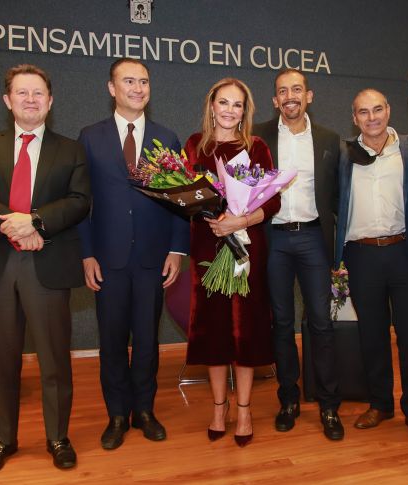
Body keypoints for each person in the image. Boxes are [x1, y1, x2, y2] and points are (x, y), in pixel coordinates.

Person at [0, 64, 91, 476]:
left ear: (50, 102)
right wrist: (13, 223)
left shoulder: (70, 149)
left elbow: (79, 201)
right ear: (7, 100)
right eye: (22, 93)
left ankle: (58, 437)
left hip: (46, 264)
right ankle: (3, 438)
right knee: (0, 360)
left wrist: (35, 221)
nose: (30, 99)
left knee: (54, 359)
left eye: (38, 93)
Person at [77, 58, 189, 451]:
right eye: (129, 81)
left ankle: (144, 411)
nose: (138, 88)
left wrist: (177, 249)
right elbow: (80, 203)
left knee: (146, 340)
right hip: (107, 260)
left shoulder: (166, 137)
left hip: (152, 260)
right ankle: (117, 415)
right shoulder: (90, 137)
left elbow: (180, 201)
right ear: (111, 88)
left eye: (144, 81)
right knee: (111, 341)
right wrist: (87, 254)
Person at [184, 78, 280, 448]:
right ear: (211, 106)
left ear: (245, 111)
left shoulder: (256, 147)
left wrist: (240, 220)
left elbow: (271, 202)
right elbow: (185, 194)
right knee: (214, 331)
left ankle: (243, 409)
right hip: (207, 246)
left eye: (237, 104)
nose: (229, 110)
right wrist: (202, 209)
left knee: (244, 330)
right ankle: (218, 408)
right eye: (223, 102)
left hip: (246, 248)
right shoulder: (195, 145)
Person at [333, 89, 408, 444]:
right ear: (354, 117)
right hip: (361, 256)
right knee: (371, 335)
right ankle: (380, 403)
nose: (372, 117)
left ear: (389, 110)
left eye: (378, 109)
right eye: (363, 112)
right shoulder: (344, 154)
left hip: (404, 253)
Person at [253, 68, 344, 440]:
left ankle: (328, 405)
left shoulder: (329, 139)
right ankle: (288, 399)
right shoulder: (257, 136)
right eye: (282, 91)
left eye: (296, 89)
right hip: (272, 239)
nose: (289, 96)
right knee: (281, 323)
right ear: (275, 100)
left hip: (312, 239)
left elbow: (338, 195)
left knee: (321, 323)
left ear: (309, 95)